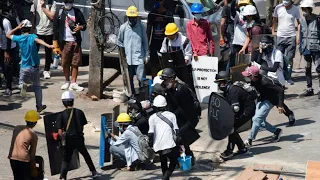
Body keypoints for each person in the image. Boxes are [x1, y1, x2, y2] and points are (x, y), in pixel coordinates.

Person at [241, 65, 295, 147]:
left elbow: (280, 90)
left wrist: (280, 105)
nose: (246, 77)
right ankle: (276, 131)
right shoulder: (254, 81)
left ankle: (250, 140)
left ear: (253, 76)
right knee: (258, 120)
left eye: (248, 76)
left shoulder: (265, 82)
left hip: (271, 100)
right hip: (263, 98)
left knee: (257, 118)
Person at [6, 20, 50, 113]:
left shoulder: (19, 38)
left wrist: (17, 27)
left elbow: (8, 35)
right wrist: (48, 46)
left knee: (21, 82)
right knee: (37, 87)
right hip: (34, 66)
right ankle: (39, 106)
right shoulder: (32, 36)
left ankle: (22, 86)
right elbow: (39, 41)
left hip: (24, 66)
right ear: (30, 28)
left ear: (22, 29)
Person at [161, 68, 200, 166]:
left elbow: (187, 108)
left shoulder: (181, 89)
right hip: (178, 117)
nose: (165, 82)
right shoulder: (169, 90)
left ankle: (188, 157)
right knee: (179, 140)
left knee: (182, 138)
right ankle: (182, 158)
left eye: (167, 80)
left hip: (188, 117)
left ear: (172, 79)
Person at [56, 91, 98, 179]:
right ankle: (94, 172)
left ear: (63, 102)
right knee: (86, 155)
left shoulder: (61, 115)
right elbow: (82, 127)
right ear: (73, 101)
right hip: (79, 138)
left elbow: (60, 132)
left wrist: (61, 138)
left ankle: (63, 177)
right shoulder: (80, 112)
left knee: (66, 159)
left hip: (68, 140)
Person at [214, 71, 255, 159]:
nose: (220, 85)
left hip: (247, 111)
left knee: (231, 128)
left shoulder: (233, 91)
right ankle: (242, 148)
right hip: (243, 109)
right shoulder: (229, 89)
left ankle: (229, 151)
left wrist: (228, 120)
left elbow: (235, 108)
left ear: (226, 82)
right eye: (219, 83)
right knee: (233, 128)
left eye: (221, 82)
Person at [53, 0, 87, 91]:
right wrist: (55, 42)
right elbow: (55, 28)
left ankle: (73, 83)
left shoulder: (77, 12)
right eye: (67, 2)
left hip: (76, 41)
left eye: (70, 2)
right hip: (64, 42)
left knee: (75, 63)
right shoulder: (60, 12)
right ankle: (67, 81)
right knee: (65, 63)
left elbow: (84, 24)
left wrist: (80, 27)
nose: (68, 4)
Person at [118, 6, 148, 96]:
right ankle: (131, 96)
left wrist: (147, 55)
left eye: (133, 17)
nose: (132, 19)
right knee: (129, 79)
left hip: (139, 58)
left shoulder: (142, 27)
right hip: (128, 59)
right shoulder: (123, 28)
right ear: (128, 17)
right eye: (130, 18)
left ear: (136, 17)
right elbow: (119, 41)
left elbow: (145, 42)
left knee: (141, 79)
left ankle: (143, 96)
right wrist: (123, 56)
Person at [148, 95, 179, 180]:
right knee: (173, 163)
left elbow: (150, 134)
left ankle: (165, 178)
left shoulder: (152, 118)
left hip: (158, 145)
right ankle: (165, 178)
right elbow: (177, 131)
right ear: (165, 105)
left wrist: (150, 144)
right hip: (169, 143)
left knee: (163, 161)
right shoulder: (172, 115)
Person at [160, 23, 195, 92]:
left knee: (188, 85)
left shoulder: (185, 41)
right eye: (168, 35)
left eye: (171, 35)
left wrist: (184, 60)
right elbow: (163, 51)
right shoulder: (166, 40)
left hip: (184, 68)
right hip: (171, 66)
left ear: (175, 33)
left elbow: (188, 55)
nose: (169, 37)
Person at [272, 0, 301, 85]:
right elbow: (274, 20)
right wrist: (273, 31)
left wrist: (298, 36)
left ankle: (288, 76)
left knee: (289, 58)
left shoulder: (295, 9)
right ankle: (280, 76)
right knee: (278, 57)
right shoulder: (278, 8)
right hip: (280, 36)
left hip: (291, 36)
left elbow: (299, 23)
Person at [8, 110, 39, 180]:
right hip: (23, 160)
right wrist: (33, 167)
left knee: (16, 177)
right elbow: (32, 153)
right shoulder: (33, 134)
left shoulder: (17, 128)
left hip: (12, 157)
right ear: (35, 122)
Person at [298, 0, 320, 97]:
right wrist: (300, 48)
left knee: (319, 69)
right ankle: (309, 88)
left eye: (304, 9)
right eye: (302, 9)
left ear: (309, 9)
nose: (303, 11)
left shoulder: (318, 20)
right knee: (307, 68)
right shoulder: (302, 20)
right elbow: (302, 34)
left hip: (317, 47)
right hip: (306, 47)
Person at [147, 0, 174, 78]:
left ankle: (164, 81)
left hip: (164, 43)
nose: (156, 2)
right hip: (154, 43)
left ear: (162, 2)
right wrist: (147, 44)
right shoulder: (152, 14)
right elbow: (148, 30)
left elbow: (171, 31)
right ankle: (154, 81)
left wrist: (170, 45)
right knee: (153, 64)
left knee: (164, 64)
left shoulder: (168, 15)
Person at [31, 0, 56, 79]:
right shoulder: (35, 2)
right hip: (37, 31)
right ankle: (34, 69)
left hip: (49, 31)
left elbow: (52, 16)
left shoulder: (52, 2)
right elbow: (33, 16)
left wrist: (43, 7)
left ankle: (46, 70)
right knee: (34, 51)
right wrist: (31, 30)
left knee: (48, 52)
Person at [0, 7, 19, 96]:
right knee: (2, 67)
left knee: (7, 66)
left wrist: (6, 51)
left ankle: (9, 87)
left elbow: (9, 36)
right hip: (1, 46)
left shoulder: (5, 22)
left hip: (9, 46)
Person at [226, 0, 249, 73]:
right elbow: (232, 9)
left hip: (246, 44)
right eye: (241, 5)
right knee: (233, 62)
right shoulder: (237, 15)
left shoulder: (250, 16)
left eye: (245, 5)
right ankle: (229, 77)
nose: (243, 7)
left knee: (244, 63)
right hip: (236, 42)